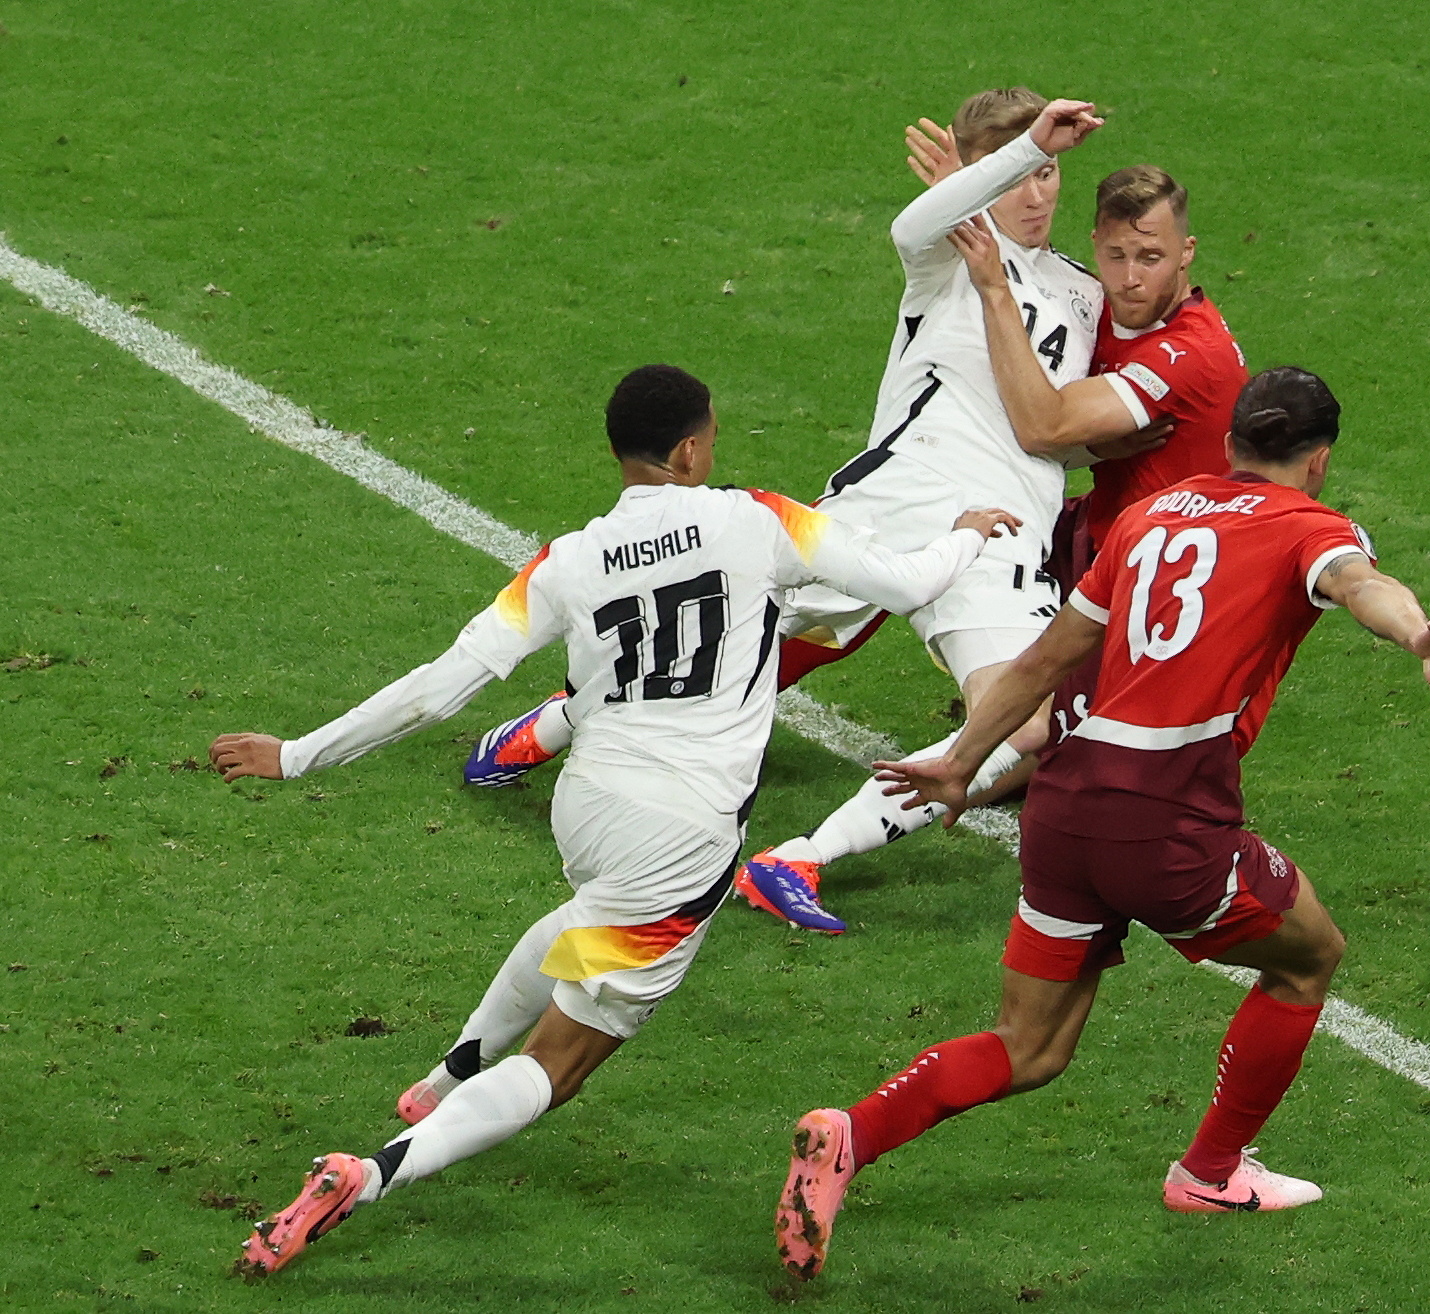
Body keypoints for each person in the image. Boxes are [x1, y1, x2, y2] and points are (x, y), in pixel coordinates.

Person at [208, 364, 1017, 1277]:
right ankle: (369, 1175)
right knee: (563, 1063)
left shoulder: (569, 557)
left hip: (587, 804)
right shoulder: (755, 517)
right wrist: (964, 536)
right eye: (709, 440)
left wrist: (299, 752)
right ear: (687, 450)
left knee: (582, 926)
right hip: (683, 831)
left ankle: (443, 1079)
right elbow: (907, 584)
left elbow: (445, 686)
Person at [771, 367, 1430, 1280]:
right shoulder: (1313, 528)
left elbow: (1040, 662)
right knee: (1310, 958)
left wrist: (959, 762)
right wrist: (1417, 633)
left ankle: (850, 1133)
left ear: (1227, 446)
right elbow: (1357, 584)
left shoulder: (1155, 515)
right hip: (1165, 820)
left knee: (1029, 1046)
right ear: (1319, 461)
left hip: (1062, 810)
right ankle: (1210, 1174)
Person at [463, 92, 1139, 938]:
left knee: (1025, 720)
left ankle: (801, 858)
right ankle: (555, 723)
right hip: (894, 507)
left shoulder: (1080, 293)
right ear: (976, 175)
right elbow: (914, 225)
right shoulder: (947, 248)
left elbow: (1077, 416)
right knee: (728, 632)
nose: (1039, 191)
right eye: (1019, 172)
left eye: (1049, 171)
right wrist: (994, 170)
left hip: (995, 540)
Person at [741, 163, 1254, 930]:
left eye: (1148, 258)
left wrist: (995, 270)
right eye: (1115, 255)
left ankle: (796, 848)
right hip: (1080, 552)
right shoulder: (1099, 304)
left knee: (1036, 729)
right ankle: (785, 845)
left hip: (1146, 569)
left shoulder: (1189, 351)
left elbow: (1046, 426)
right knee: (1028, 721)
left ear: (1188, 253)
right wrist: (983, 200)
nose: (1127, 277)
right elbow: (1052, 422)